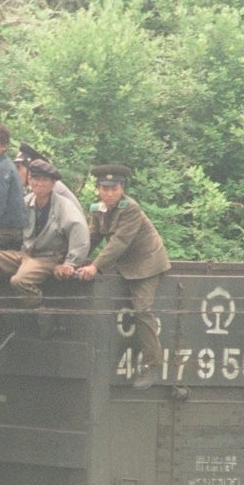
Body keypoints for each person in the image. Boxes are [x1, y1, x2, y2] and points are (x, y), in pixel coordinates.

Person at [76, 165, 170, 390]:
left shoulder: (130, 209)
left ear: (122, 189)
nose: (109, 193)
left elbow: (119, 242)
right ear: (98, 189)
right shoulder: (98, 208)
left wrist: (95, 267)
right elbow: (92, 236)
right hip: (122, 263)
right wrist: (73, 259)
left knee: (142, 309)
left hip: (145, 263)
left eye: (114, 188)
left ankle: (152, 365)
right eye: (105, 189)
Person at [0, 159, 89, 312]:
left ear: (53, 183)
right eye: (35, 179)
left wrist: (70, 263)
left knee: (19, 281)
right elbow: (10, 226)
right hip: (26, 254)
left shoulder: (64, 206)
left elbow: (79, 231)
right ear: (29, 180)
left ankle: (41, 310)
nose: (39, 184)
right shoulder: (26, 202)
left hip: (48, 257)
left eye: (44, 180)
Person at [15, 142, 84, 214]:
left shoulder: (49, 187)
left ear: (30, 169)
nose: (16, 172)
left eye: (18, 167)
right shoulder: (33, 188)